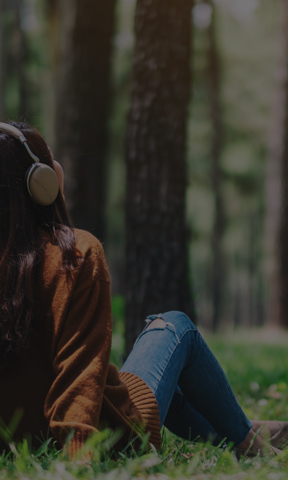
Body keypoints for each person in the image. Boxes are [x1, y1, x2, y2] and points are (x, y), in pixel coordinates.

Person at [0, 121, 286, 460]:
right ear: (41, 183)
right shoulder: (74, 256)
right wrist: (78, 463)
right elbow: (77, 379)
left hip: (23, 442)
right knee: (175, 326)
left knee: (175, 390)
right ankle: (248, 440)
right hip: (111, 437)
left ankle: (248, 431)